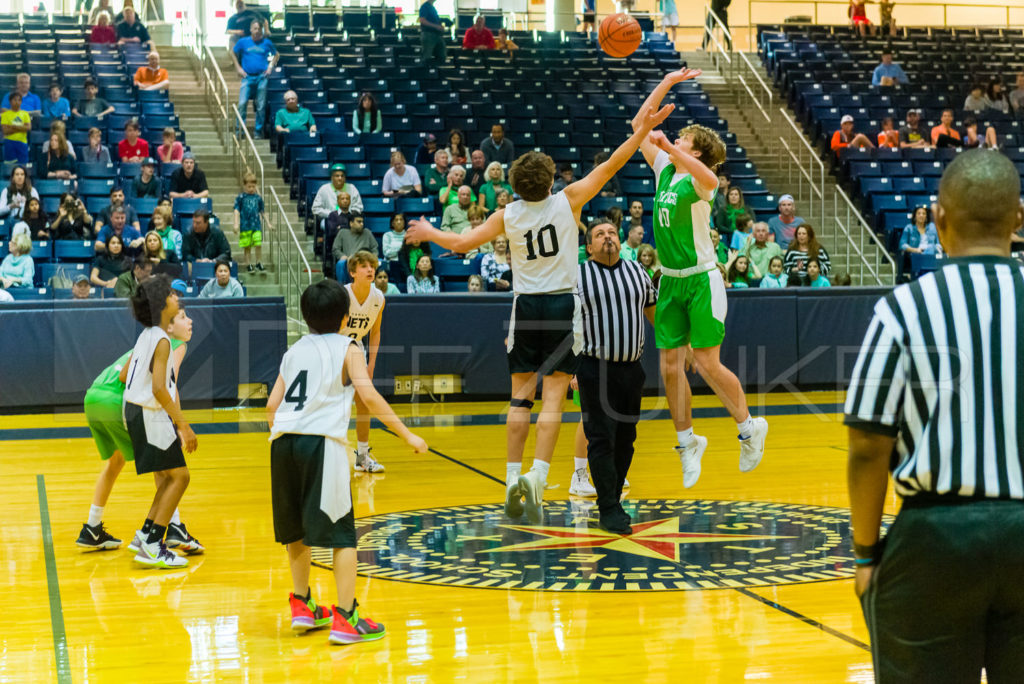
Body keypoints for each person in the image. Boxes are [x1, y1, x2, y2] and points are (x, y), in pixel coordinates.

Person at [406, 91, 672, 524]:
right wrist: (644, 129)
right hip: (564, 307)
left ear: (517, 186)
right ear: (550, 181)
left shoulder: (507, 215)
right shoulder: (567, 201)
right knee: (555, 399)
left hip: (525, 306)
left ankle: (512, 479)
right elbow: (613, 164)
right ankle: (540, 475)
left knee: (520, 397)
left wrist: (427, 230)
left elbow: (459, 244)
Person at [847, 149, 1024, 682]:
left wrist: (864, 556)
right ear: (1018, 218)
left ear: (940, 219)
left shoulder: (902, 308)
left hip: (932, 541)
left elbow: (867, 444)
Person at [267, 279, 426, 645]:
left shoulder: (294, 352)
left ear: (306, 317)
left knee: (296, 533)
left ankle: (303, 605)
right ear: (345, 317)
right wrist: (408, 435)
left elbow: (271, 407)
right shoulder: (350, 346)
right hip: (322, 445)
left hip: (281, 444)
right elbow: (368, 395)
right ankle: (346, 617)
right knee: (342, 535)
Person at [631, 68, 768, 490]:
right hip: (669, 280)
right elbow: (639, 127)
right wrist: (668, 83)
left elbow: (710, 178)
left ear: (696, 149)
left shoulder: (698, 178)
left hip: (702, 278)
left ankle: (749, 428)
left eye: (685, 138)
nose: (677, 139)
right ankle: (688, 442)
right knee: (670, 368)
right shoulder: (666, 172)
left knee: (706, 363)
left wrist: (671, 147)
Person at [76, 299, 201, 553]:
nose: (189, 321)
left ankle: (92, 525)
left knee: (116, 462)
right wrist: (179, 423)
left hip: (94, 396)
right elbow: (169, 385)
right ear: (168, 324)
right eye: (183, 316)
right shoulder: (174, 344)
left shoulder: (146, 338)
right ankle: (170, 527)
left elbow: (123, 374)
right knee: (164, 464)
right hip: (117, 400)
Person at [574, 221, 657, 533]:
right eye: (599, 234)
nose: (607, 237)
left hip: (631, 369)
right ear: (589, 247)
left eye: (611, 233)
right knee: (600, 438)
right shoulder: (578, 275)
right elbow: (566, 322)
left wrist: (679, 346)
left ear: (620, 241)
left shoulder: (638, 271)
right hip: (594, 368)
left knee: (627, 439)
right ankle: (608, 506)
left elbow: (654, 314)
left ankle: (613, 497)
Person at [122, 276, 197, 568]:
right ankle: (154, 544)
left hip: (133, 409)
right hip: (147, 412)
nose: (175, 297)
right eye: (169, 295)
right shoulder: (163, 340)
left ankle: (146, 535)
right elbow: (157, 388)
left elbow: (126, 376)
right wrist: (184, 425)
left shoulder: (147, 334)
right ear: (159, 305)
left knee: (168, 478)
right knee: (180, 477)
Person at [336, 251, 389, 473]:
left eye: (372, 266)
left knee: (364, 403)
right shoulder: (342, 295)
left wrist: (372, 364)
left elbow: (375, 333)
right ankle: (330, 455)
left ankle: (362, 457)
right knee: (336, 405)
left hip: (357, 349)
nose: (370, 270)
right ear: (352, 272)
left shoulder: (378, 298)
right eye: (364, 266)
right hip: (335, 348)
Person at [232, 19, 278, 139]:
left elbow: (276, 54)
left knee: (261, 106)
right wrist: (238, 68)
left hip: (262, 77)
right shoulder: (243, 42)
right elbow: (232, 52)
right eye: (255, 28)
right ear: (251, 29)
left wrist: (270, 67)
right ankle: (240, 131)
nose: (257, 31)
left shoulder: (266, 43)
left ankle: (258, 132)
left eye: (259, 29)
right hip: (247, 77)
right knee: (242, 104)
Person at [234, 171, 266, 273]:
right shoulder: (241, 198)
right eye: (249, 187)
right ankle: (248, 264)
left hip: (256, 225)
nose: (251, 189)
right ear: (244, 186)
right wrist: (236, 223)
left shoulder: (258, 198)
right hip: (245, 226)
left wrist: (268, 223)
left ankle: (258, 262)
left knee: (258, 244)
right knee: (247, 246)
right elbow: (236, 210)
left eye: (253, 186)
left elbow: (262, 211)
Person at [1, 92, 30, 164]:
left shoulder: (25, 114)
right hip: (9, 143)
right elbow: (5, 131)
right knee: (10, 166)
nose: (17, 102)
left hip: (22, 143)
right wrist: (21, 128)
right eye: (15, 100)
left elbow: (28, 128)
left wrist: (12, 126)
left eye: (19, 100)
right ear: (10, 101)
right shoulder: (5, 115)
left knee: (23, 166)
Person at [418, 0, 447, 66]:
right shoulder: (425, 7)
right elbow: (422, 20)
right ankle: (426, 73)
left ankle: (437, 72)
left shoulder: (431, 7)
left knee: (442, 55)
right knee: (427, 56)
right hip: (428, 34)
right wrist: (436, 26)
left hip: (437, 34)